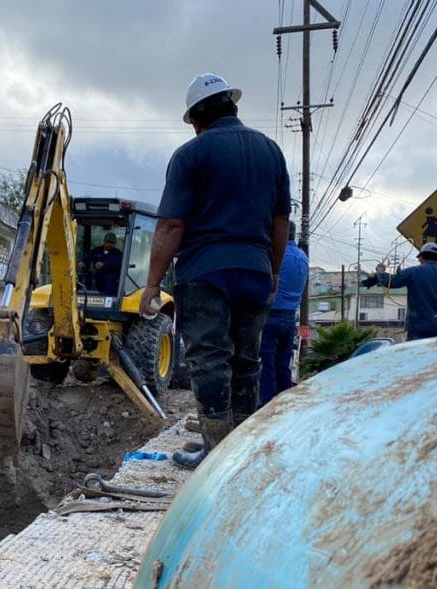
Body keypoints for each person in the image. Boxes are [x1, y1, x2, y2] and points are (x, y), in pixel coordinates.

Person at [139, 73, 292, 469]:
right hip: (255, 269)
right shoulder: (271, 151)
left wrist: (152, 284)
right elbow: (280, 223)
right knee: (247, 359)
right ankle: (239, 452)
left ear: (196, 118)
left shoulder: (192, 155)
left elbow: (171, 225)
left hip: (206, 273)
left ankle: (215, 452)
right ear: (232, 105)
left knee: (209, 358)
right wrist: (272, 271)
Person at [361, 242, 437, 340]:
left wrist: (380, 270)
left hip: (417, 328)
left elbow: (390, 282)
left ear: (421, 257)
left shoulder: (414, 272)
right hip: (436, 328)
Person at [258, 221, 308, 408]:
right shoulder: (303, 257)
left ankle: (268, 407)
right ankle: (285, 403)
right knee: (283, 363)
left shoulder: (275, 255)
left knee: (267, 364)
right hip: (290, 316)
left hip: (271, 314)